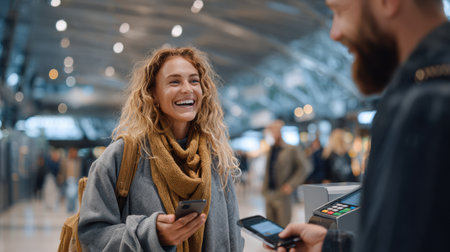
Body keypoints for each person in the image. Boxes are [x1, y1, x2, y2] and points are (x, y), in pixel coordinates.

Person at [266, 0, 450, 252]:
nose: (335, 32)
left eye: (340, 10)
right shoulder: (419, 92)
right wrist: (329, 245)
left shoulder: (424, 106)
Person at [78, 47, 244, 251]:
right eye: (174, 81)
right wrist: (152, 235)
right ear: (152, 94)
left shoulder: (215, 157)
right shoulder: (123, 155)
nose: (187, 89)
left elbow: (233, 236)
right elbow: (92, 236)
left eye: (194, 80)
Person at [262, 120, 311, 227]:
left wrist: (291, 184)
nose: (273, 133)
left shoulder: (291, 149)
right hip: (269, 193)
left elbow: (305, 167)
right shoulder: (271, 149)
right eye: (272, 130)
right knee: (270, 228)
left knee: (283, 228)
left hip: (283, 194)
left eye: (276, 130)